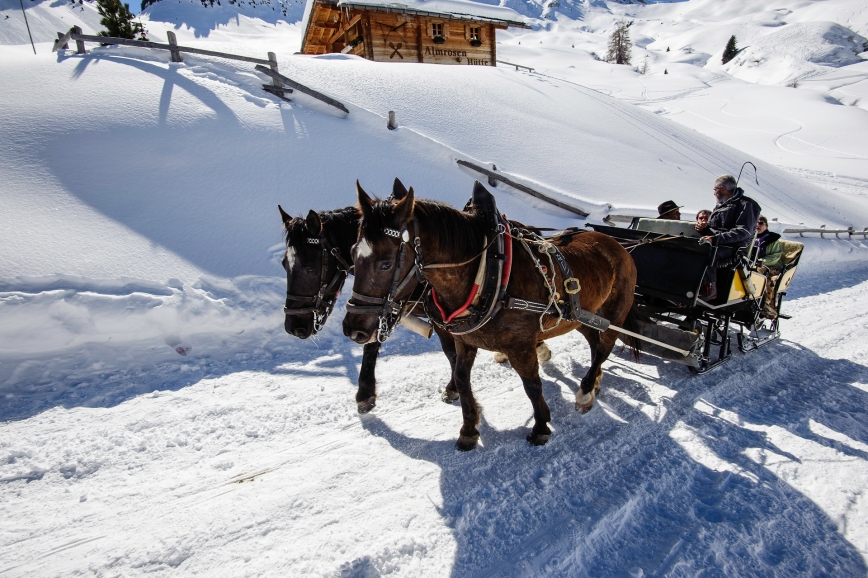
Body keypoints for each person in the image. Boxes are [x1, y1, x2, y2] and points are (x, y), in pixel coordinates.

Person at [695, 175, 761, 300]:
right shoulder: (722, 205)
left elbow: (743, 231)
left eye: (715, 190)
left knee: (707, 251)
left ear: (722, 189)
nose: (714, 193)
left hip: (733, 248)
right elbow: (716, 228)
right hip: (717, 244)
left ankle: (709, 289)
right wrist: (703, 228)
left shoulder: (747, 205)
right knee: (689, 246)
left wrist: (715, 239)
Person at [753, 215, 783, 318]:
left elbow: (775, 257)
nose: (758, 225)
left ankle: (767, 308)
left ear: (766, 226)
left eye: (760, 223)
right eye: (756, 223)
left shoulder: (772, 239)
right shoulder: (750, 237)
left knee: (765, 279)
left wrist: (760, 261)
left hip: (771, 267)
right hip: (752, 265)